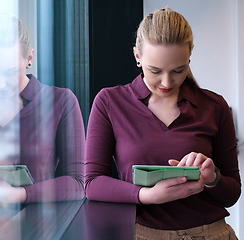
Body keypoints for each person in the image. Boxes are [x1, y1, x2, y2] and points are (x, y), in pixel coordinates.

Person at [85, 7, 240, 239]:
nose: (167, 82)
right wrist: (146, 195)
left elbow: (232, 193)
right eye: (155, 71)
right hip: (141, 234)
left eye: (178, 70)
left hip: (212, 233)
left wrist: (211, 177)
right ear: (137, 56)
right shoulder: (109, 102)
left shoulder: (214, 106)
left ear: (190, 55)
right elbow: (92, 183)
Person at [0, 14, 85, 239]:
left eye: (10, 73)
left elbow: (78, 184)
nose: (0, 85)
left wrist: (17, 194)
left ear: (29, 58)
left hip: (33, 231)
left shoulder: (61, 102)